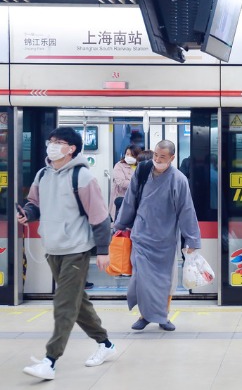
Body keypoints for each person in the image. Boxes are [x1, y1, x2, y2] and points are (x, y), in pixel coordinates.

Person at [17, 127, 116, 380]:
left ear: (71, 148)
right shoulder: (43, 174)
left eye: (58, 142)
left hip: (76, 249)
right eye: (50, 141)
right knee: (76, 301)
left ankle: (50, 361)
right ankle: (105, 343)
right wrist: (27, 214)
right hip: (53, 247)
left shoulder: (83, 177)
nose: (52, 145)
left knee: (63, 304)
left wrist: (103, 251)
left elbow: (100, 217)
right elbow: (35, 203)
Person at [114, 140, 201, 331]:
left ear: (172, 158)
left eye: (162, 157)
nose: (157, 159)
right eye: (155, 155)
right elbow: (129, 200)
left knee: (164, 282)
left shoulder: (179, 179)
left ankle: (163, 316)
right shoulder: (142, 171)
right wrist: (120, 224)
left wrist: (192, 240)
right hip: (141, 235)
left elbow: (187, 211)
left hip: (165, 239)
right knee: (141, 279)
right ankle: (145, 316)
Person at [110, 144, 141, 220]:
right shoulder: (119, 165)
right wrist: (138, 183)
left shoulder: (140, 166)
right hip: (121, 197)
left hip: (136, 199)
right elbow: (121, 183)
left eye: (132, 155)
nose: (129, 156)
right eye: (127, 154)